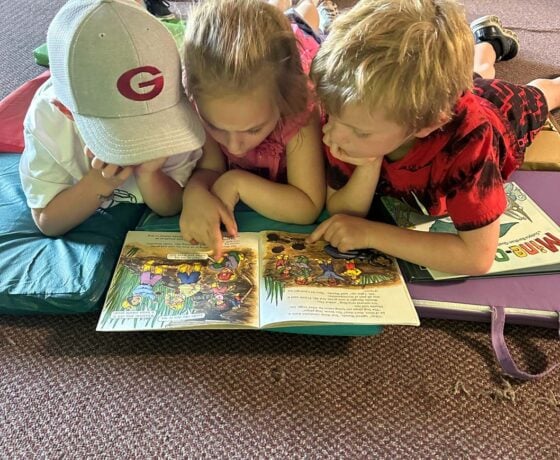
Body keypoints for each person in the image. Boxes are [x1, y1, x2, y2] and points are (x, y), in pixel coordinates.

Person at [307, 0, 560, 276]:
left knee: (542, 93)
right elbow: (342, 210)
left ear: (424, 126)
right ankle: (487, 42)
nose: (333, 135)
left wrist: (371, 234)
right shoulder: (351, 108)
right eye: (331, 114)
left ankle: (493, 50)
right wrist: (369, 162)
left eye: (361, 132)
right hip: (434, 98)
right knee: (472, 76)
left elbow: (476, 257)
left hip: (501, 109)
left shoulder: (471, 138)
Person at [20, 0, 206, 236]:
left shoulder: (173, 104)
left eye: (152, 121)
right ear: (65, 110)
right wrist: (101, 181)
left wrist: (150, 174)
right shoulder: (48, 121)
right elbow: (48, 221)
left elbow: (173, 204)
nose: (139, 138)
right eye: (119, 128)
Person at [179, 0, 326, 258]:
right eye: (216, 127)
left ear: (283, 104)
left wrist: (236, 182)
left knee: (305, 24)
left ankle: (310, 8)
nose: (234, 146)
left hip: (306, 51)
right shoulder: (203, 98)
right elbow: (211, 169)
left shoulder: (301, 108)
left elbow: (309, 205)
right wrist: (195, 193)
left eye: (254, 129)